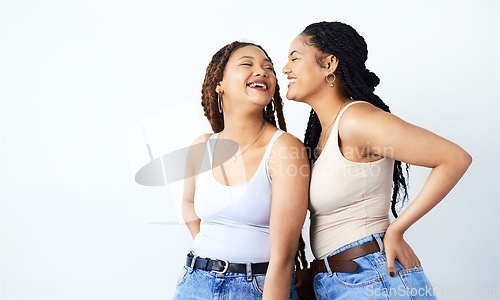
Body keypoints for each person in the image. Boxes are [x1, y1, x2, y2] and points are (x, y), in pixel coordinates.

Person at [282, 21, 472, 299]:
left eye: (294, 58)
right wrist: (320, 269)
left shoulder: (357, 120)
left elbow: (454, 158)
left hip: (375, 281)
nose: (286, 68)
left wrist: (396, 229)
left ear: (329, 64)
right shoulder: (325, 132)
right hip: (343, 280)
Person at [173, 41, 310, 300]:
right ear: (219, 83)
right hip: (195, 281)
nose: (262, 72)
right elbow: (188, 204)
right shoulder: (202, 146)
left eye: (268, 68)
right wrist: (213, 250)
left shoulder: (284, 149)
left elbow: (283, 256)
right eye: (247, 64)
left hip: (256, 286)